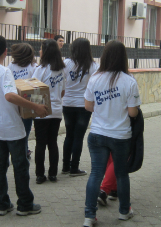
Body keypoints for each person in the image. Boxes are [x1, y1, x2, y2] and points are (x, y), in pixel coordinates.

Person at [0, 35, 49, 216]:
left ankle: (2, 203)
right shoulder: (4, 72)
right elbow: (10, 96)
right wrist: (35, 106)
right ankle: (25, 204)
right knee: (20, 165)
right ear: (5, 52)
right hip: (11, 126)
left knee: (0, 166)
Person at [82, 41, 141, 227]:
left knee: (96, 173)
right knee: (122, 174)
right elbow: (133, 113)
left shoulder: (94, 79)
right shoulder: (129, 82)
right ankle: (124, 211)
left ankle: (89, 216)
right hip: (121, 136)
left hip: (98, 133)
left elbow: (88, 106)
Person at [62, 38, 98, 176]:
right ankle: (74, 168)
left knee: (69, 135)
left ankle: (65, 166)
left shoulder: (66, 63)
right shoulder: (93, 66)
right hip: (83, 105)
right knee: (78, 137)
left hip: (68, 103)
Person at [32, 39, 66, 184]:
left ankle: (40, 175)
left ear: (45, 52)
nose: (39, 51)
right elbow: (63, 91)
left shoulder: (40, 70)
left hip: (42, 110)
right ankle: (53, 174)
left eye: (41, 49)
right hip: (57, 110)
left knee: (40, 143)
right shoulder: (62, 69)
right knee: (52, 142)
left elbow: (34, 90)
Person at [8, 43, 37, 158]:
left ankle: (23, 150)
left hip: (15, 101)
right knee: (25, 130)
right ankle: (23, 152)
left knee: (19, 130)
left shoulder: (11, 66)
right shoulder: (33, 67)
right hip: (27, 102)